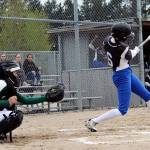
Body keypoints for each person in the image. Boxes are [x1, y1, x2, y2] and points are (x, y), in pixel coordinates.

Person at [85, 22, 150, 132]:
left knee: (147, 96)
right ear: (121, 36)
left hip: (125, 72)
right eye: (127, 35)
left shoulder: (108, 40)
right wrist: (137, 50)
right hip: (122, 76)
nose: (129, 37)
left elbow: (126, 53)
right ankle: (93, 121)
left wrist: (133, 50)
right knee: (122, 110)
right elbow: (130, 55)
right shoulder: (123, 49)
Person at [0, 61, 65, 141]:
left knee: (17, 115)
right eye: (14, 72)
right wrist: (7, 103)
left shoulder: (9, 86)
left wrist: (46, 98)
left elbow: (25, 100)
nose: (16, 75)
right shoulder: (2, 83)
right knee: (15, 116)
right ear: (7, 72)